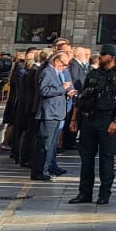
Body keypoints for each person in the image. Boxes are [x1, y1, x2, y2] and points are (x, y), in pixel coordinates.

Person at [67, 46, 116, 205]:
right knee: (86, 158)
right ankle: (84, 193)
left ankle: (104, 193)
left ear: (113, 57)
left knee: (106, 158)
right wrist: (74, 119)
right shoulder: (93, 73)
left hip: (107, 120)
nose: (100, 57)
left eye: (103, 55)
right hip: (88, 119)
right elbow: (82, 97)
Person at [34, 50, 76, 181]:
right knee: (45, 144)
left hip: (58, 112)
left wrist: (68, 92)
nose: (65, 68)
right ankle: (40, 171)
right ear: (56, 61)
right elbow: (44, 90)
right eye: (64, 64)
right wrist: (62, 88)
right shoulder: (47, 72)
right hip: (50, 113)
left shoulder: (58, 72)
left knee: (51, 145)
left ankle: (46, 169)